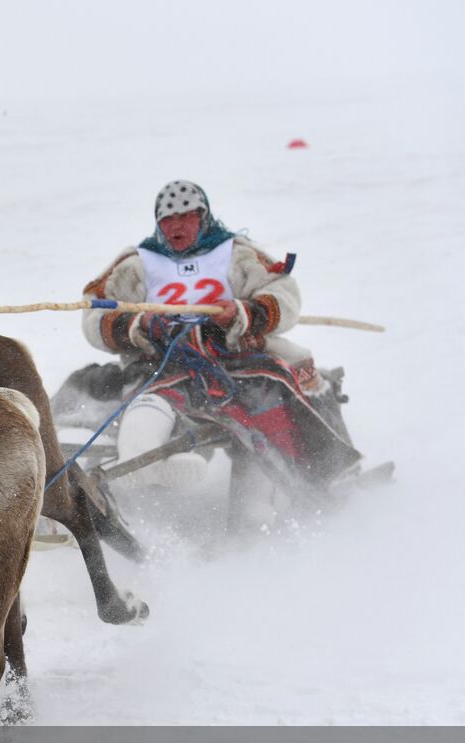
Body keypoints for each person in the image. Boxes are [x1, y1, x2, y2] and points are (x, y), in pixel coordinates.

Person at [81, 180, 358, 525]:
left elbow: (283, 292)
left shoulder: (236, 253)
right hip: (163, 362)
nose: (177, 225)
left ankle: (285, 495)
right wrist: (138, 324)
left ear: (204, 216)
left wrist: (245, 312)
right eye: (168, 219)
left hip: (234, 359)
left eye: (186, 216)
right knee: (145, 398)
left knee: (270, 395)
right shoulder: (136, 264)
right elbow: (95, 312)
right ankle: (143, 463)